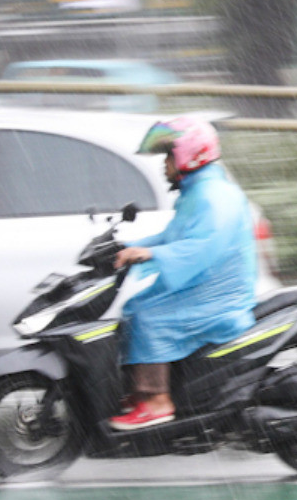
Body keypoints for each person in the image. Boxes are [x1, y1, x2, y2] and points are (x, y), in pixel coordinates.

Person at [108, 116, 258, 430]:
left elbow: (202, 247)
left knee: (150, 316)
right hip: (203, 283)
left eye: (168, 157)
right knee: (136, 307)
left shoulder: (213, 196)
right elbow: (172, 237)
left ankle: (158, 401)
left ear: (188, 157)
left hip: (218, 293)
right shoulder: (198, 192)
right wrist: (129, 247)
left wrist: (150, 253)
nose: (164, 166)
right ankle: (140, 391)